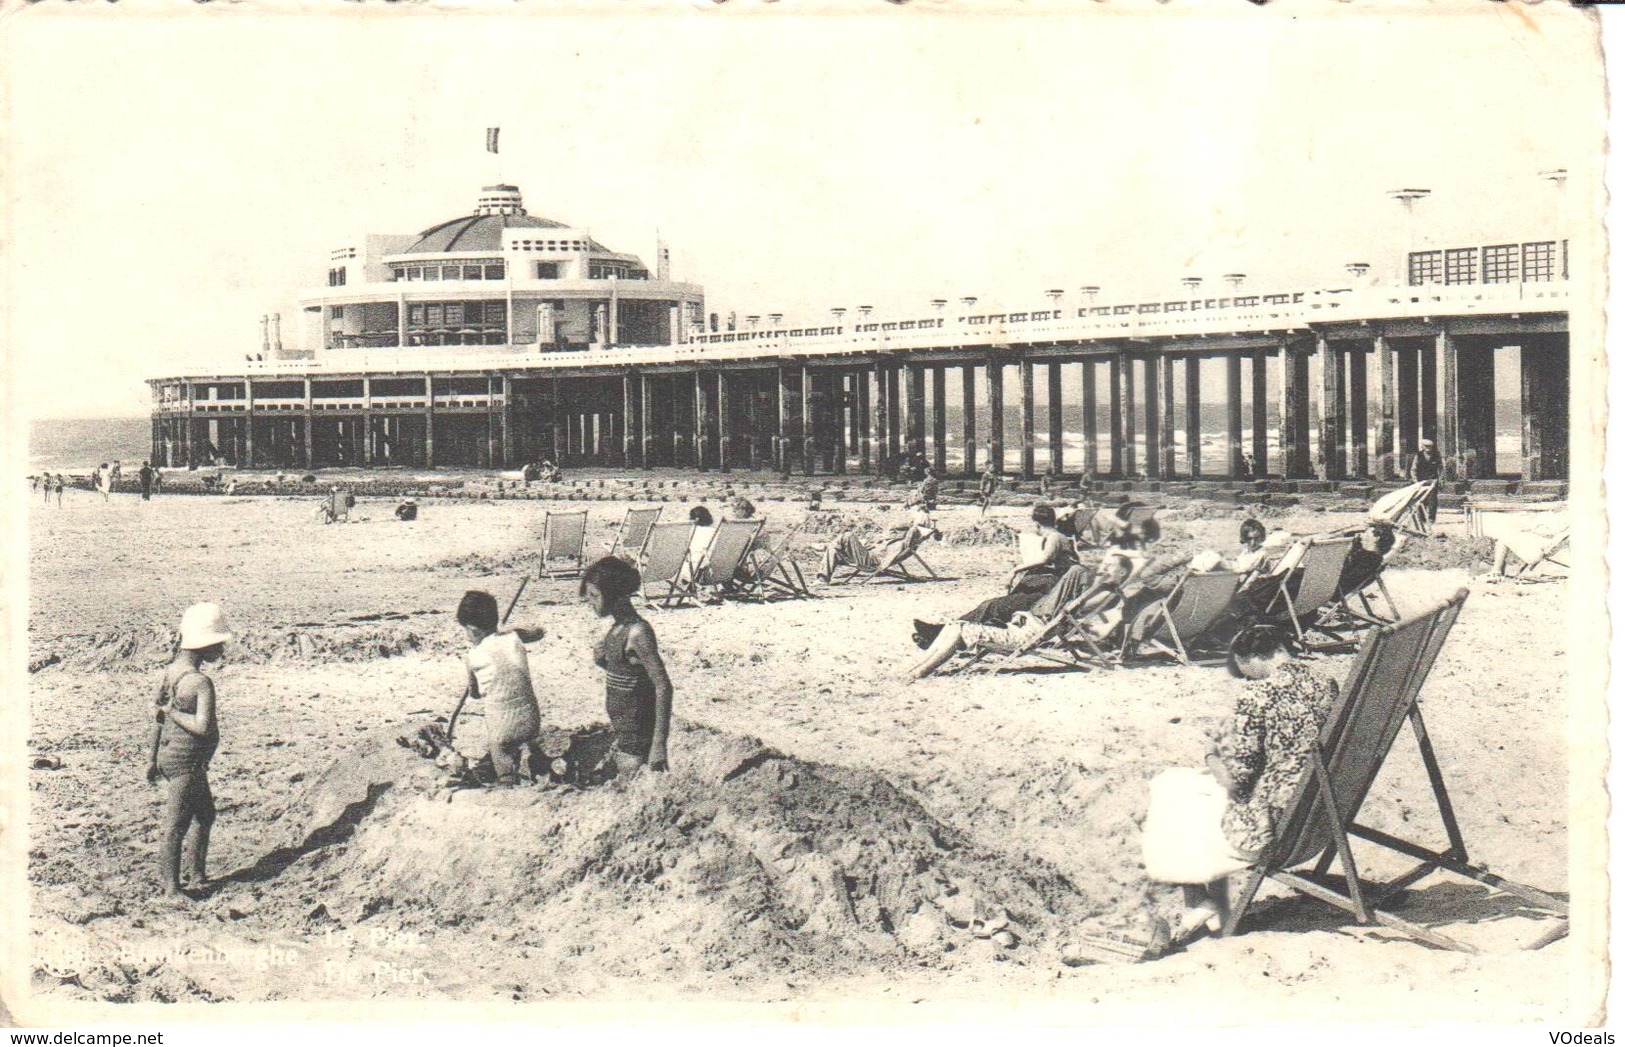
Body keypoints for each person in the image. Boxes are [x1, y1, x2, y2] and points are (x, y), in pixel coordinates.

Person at [1140, 624, 1339, 947]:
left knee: (1169, 786)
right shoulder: (1322, 682)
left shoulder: (1257, 693)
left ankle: (1196, 902)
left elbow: (1236, 777)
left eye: (1242, 668)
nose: (1244, 676)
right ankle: (1197, 902)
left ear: (1251, 657)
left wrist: (1210, 755)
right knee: (1185, 787)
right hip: (1319, 807)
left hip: (1275, 823)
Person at [905, 553, 1134, 680]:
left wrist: (1100, 584)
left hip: (1031, 631)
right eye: (1105, 565)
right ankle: (918, 669)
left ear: (1122, 573)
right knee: (957, 624)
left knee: (1077, 571)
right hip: (1029, 623)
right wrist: (1024, 614)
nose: (1104, 569)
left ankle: (920, 672)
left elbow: (1076, 610)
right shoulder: (1104, 591)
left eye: (1110, 567)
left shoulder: (1109, 594)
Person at [146, 603, 232, 899]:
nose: (221, 651)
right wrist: (174, 711)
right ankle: (172, 888)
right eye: (218, 644)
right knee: (176, 823)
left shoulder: (171, 672)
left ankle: (197, 874)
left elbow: (157, 719)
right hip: (188, 762)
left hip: (173, 757)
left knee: (205, 814)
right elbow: (202, 728)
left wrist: (151, 758)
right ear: (205, 644)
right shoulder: (200, 682)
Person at [581, 557, 674, 774]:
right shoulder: (617, 629)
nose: (590, 602)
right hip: (623, 731)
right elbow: (630, 675)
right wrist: (603, 662)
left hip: (638, 736)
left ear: (615, 595)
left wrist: (659, 746)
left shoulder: (638, 632)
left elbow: (663, 686)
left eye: (595, 596)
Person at [449, 591, 545, 787]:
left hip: (502, 726)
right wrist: (505, 631)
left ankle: (506, 780)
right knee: (523, 740)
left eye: (465, 631)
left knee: (499, 749)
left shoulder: (473, 656)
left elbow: (475, 694)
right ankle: (531, 762)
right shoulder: (514, 637)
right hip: (532, 717)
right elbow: (535, 633)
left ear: (473, 629)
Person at [819, 495, 935, 583]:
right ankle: (822, 579)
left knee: (848, 535)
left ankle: (826, 545)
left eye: (912, 509)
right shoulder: (899, 540)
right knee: (833, 549)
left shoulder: (904, 541)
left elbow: (919, 528)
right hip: (868, 554)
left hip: (870, 560)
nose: (910, 513)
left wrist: (921, 528)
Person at [1408, 439, 1442, 524]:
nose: (1428, 448)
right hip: (1421, 481)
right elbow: (1413, 469)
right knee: (1421, 500)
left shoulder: (1436, 455)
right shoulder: (1418, 456)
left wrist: (1441, 479)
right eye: (1426, 446)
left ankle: (1431, 519)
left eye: (1430, 446)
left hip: (1433, 480)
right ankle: (1422, 518)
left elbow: (1440, 469)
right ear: (1422, 446)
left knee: (1433, 500)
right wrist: (1415, 481)